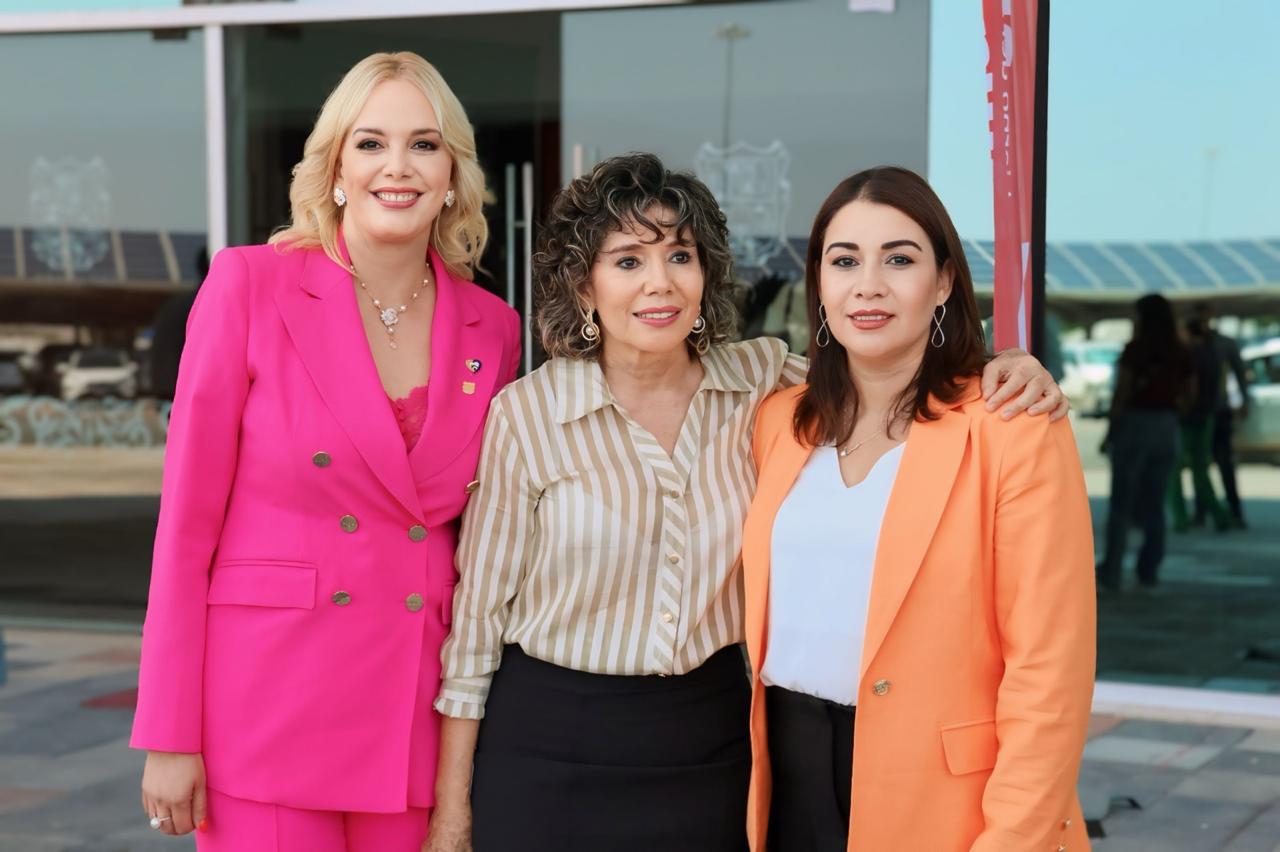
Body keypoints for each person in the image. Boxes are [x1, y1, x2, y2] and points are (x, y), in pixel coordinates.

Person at [426, 153, 1066, 852]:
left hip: (711, 747)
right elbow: (475, 631)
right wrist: (452, 813)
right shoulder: (527, 415)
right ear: (584, 285)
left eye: (680, 256)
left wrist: (1001, 366)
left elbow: (882, 368)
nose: (660, 282)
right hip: (551, 748)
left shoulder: (764, 386)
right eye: (628, 261)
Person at [131, 52, 521, 851]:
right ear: (336, 167)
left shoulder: (494, 326)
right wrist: (168, 732)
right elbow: (186, 528)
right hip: (267, 703)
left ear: (452, 173)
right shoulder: (249, 286)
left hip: (413, 708)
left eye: (424, 144)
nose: (397, 167)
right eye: (371, 143)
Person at [741, 166, 1095, 851]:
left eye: (899, 260)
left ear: (943, 283)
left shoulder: (1010, 425)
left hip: (947, 796)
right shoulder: (778, 420)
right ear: (819, 282)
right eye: (845, 261)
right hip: (786, 779)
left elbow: (1050, 668)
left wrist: (1013, 838)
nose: (868, 284)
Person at [1098, 294, 1193, 591]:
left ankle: (1112, 570)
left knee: (1122, 503)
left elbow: (1122, 392)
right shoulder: (1181, 352)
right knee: (1155, 503)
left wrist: (1111, 431)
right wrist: (1172, 413)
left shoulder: (1135, 350)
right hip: (1167, 426)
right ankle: (1149, 569)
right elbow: (1191, 393)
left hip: (1135, 423)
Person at [1167, 314, 1230, 532]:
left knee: (1175, 470)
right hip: (1206, 417)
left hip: (1187, 419)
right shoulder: (1213, 354)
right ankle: (1220, 516)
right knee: (1200, 470)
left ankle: (1180, 518)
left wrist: (1182, 408)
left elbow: (1190, 388)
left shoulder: (1189, 355)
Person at [1194, 302, 1250, 528]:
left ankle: (1234, 511)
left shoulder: (1223, 343)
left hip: (1218, 410)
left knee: (1224, 463)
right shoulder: (1191, 343)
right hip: (1198, 412)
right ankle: (1201, 511)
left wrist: (1244, 400)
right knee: (1200, 464)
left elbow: (1239, 371)